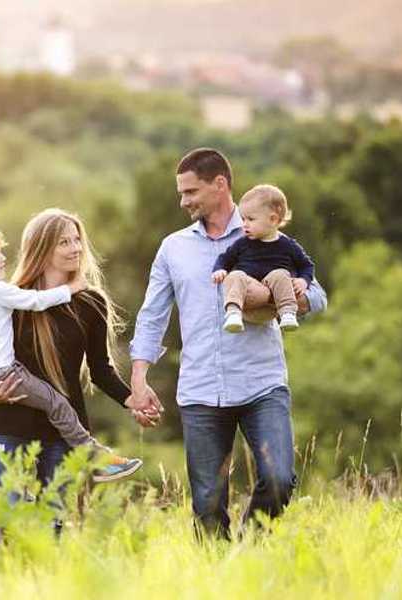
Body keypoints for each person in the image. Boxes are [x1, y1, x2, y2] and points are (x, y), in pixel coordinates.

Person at [128, 148, 327, 538]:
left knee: (279, 478)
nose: (183, 201)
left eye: (191, 191)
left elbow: (317, 295)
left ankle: (249, 551)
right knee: (207, 504)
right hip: (201, 389)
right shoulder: (174, 248)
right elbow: (152, 314)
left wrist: (295, 298)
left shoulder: (270, 234)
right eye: (181, 193)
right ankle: (218, 579)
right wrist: (139, 377)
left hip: (261, 383)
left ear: (220, 185)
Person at [0, 209, 156, 488]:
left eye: (77, 240)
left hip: (64, 433)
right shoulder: (14, 298)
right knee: (10, 522)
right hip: (13, 426)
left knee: (56, 523)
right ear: (42, 248)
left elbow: (100, 370)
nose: (76, 248)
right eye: (64, 242)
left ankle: (96, 458)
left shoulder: (91, 303)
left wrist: (133, 400)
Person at [211, 184, 315, 333]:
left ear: (273, 220)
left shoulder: (288, 245)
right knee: (236, 275)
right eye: (243, 219)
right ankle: (233, 312)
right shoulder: (242, 244)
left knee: (280, 274)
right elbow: (225, 258)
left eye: (251, 219)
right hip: (249, 298)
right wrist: (219, 269)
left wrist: (304, 280)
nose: (244, 224)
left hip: (272, 306)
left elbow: (307, 265)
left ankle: (287, 313)